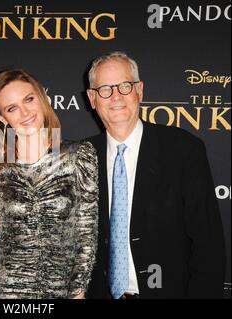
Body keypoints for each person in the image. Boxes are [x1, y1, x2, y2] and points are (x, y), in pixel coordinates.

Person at [85, 51, 226, 299]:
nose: (116, 96)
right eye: (105, 88)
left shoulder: (183, 150)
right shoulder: (80, 157)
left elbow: (208, 246)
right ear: (92, 98)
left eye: (125, 86)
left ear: (139, 90)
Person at [0, 69, 98, 299]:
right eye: (11, 108)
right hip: (5, 292)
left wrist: (78, 291)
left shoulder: (78, 155)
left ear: (41, 98)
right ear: (2, 118)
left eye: (29, 99)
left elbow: (86, 231)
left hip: (62, 291)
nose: (25, 112)